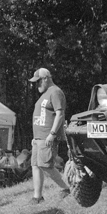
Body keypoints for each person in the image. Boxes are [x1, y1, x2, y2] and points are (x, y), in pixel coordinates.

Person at [28, 67, 70, 203]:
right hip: (38, 138)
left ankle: (66, 188)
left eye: (38, 81)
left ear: (46, 78)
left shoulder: (56, 92)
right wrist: (35, 137)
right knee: (35, 165)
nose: (37, 85)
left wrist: (52, 134)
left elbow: (60, 114)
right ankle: (37, 197)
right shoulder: (45, 94)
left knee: (46, 165)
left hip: (47, 137)